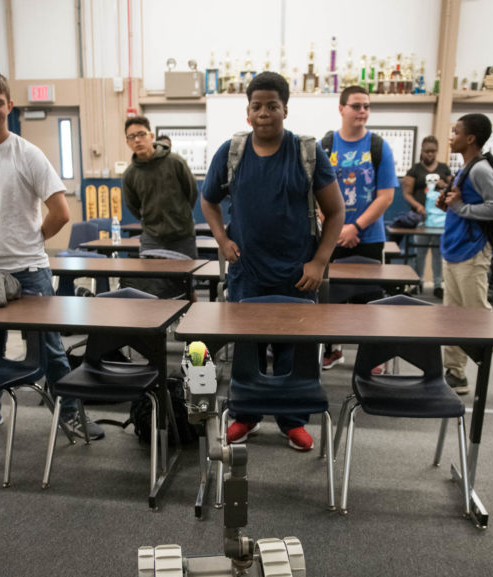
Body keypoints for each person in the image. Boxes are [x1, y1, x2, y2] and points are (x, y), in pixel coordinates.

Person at [0, 69, 105, 440]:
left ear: (9, 106)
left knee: (50, 350)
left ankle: (71, 412)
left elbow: (60, 213)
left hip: (30, 270)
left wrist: (31, 241)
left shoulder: (27, 154)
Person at [201, 71, 345, 451]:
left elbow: (336, 212)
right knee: (247, 351)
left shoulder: (306, 153)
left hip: (297, 277)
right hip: (247, 274)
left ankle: (291, 419)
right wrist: (222, 239)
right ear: (248, 113)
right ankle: (246, 414)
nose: (264, 112)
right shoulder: (231, 152)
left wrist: (318, 263)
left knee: (292, 354)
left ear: (285, 110)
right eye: (257, 106)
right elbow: (208, 201)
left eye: (272, 106)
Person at [438, 113, 493, 403]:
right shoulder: (466, 168)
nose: (452, 136)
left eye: (456, 132)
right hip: (454, 248)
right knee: (451, 316)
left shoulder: (480, 169)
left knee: (477, 317)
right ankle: (456, 374)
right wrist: (449, 201)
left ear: (470, 138)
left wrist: (461, 208)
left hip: (472, 251)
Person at [321, 84, 398, 370]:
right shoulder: (326, 145)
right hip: (332, 234)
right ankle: (333, 348)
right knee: (331, 297)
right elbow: (317, 192)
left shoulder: (379, 147)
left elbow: (386, 196)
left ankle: (372, 356)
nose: (362, 111)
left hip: (368, 237)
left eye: (366, 106)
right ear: (341, 108)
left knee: (370, 299)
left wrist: (355, 227)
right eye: (356, 105)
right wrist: (337, 226)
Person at [122, 116, 197, 297]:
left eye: (141, 134)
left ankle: (190, 325)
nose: (137, 140)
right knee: (151, 289)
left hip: (181, 236)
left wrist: (180, 216)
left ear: (151, 136)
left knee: (187, 288)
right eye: (132, 137)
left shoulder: (175, 162)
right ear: (127, 142)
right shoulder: (130, 174)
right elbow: (133, 206)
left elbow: (192, 193)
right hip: (152, 238)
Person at [403, 135, 451, 298]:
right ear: (422, 151)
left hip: (439, 219)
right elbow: (407, 193)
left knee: (438, 252)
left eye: (433, 152)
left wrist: (443, 186)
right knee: (419, 252)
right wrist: (418, 206)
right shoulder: (415, 170)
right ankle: (417, 282)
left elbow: (452, 190)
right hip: (421, 217)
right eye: (426, 151)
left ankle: (438, 284)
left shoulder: (444, 169)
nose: (429, 155)